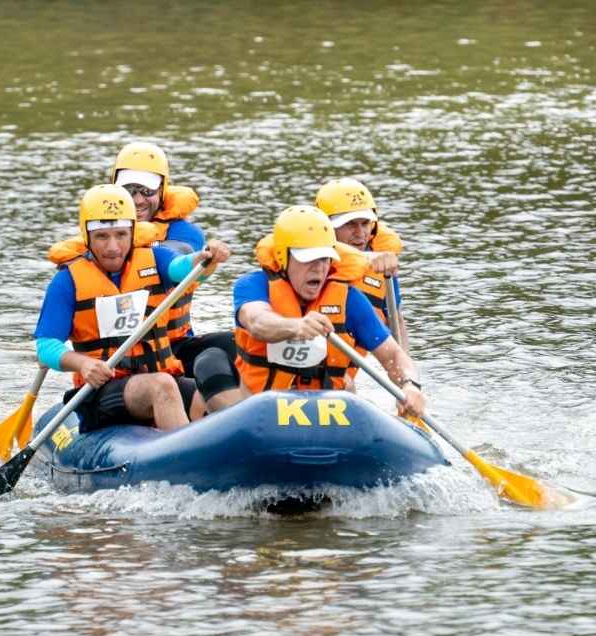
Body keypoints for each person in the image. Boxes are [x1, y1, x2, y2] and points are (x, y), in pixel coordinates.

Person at [34, 184, 229, 433]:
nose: (113, 247)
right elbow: (46, 347)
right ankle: (190, 465)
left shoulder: (155, 259)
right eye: (102, 237)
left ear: (132, 232)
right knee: (162, 386)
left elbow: (184, 269)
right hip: (100, 391)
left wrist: (203, 259)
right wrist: (82, 364)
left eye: (121, 235)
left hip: (158, 374)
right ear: (87, 236)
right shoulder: (67, 281)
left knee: (205, 398)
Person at [46, 141, 235, 377]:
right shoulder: (92, 246)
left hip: (171, 345)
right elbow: (47, 344)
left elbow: (179, 265)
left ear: (163, 190)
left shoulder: (182, 236)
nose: (137, 200)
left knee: (234, 343)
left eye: (147, 191)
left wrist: (208, 258)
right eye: (129, 190)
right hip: (113, 359)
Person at [230, 205, 426, 418]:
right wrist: (295, 326)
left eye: (324, 258)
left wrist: (410, 385)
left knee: (348, 385)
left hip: (328, 418)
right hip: (261, 418)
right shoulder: (253, 286)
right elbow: (258, 322)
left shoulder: (349, 299)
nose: (319, 268)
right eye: (308, 259)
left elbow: (393, 355)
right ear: (283, 258)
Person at [315, 178, 408, 347]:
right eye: (350, 224)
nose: (360, 233)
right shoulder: (305, 262)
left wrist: (407, 369)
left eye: (365, 223)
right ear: (326, 226)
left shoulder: (382, 263)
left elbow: (397, 321)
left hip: (362, 362)